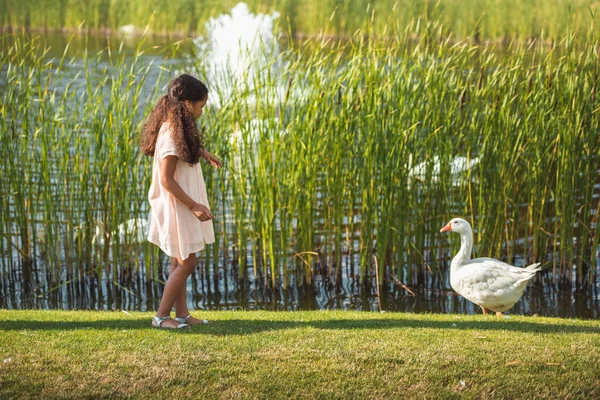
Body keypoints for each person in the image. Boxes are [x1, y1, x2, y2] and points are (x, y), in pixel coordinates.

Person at [141, 74, 222, 329]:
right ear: (187, 104)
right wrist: (194, 206)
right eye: (201, 106)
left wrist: (203, 152)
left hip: (181, 205)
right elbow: (166, 180)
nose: (202, 111)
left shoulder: (179, 128)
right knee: (187, 260)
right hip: (176, 206)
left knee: (180, 258)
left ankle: (183, 315)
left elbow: (186, 148)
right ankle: (161, 317)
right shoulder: (169, 132)